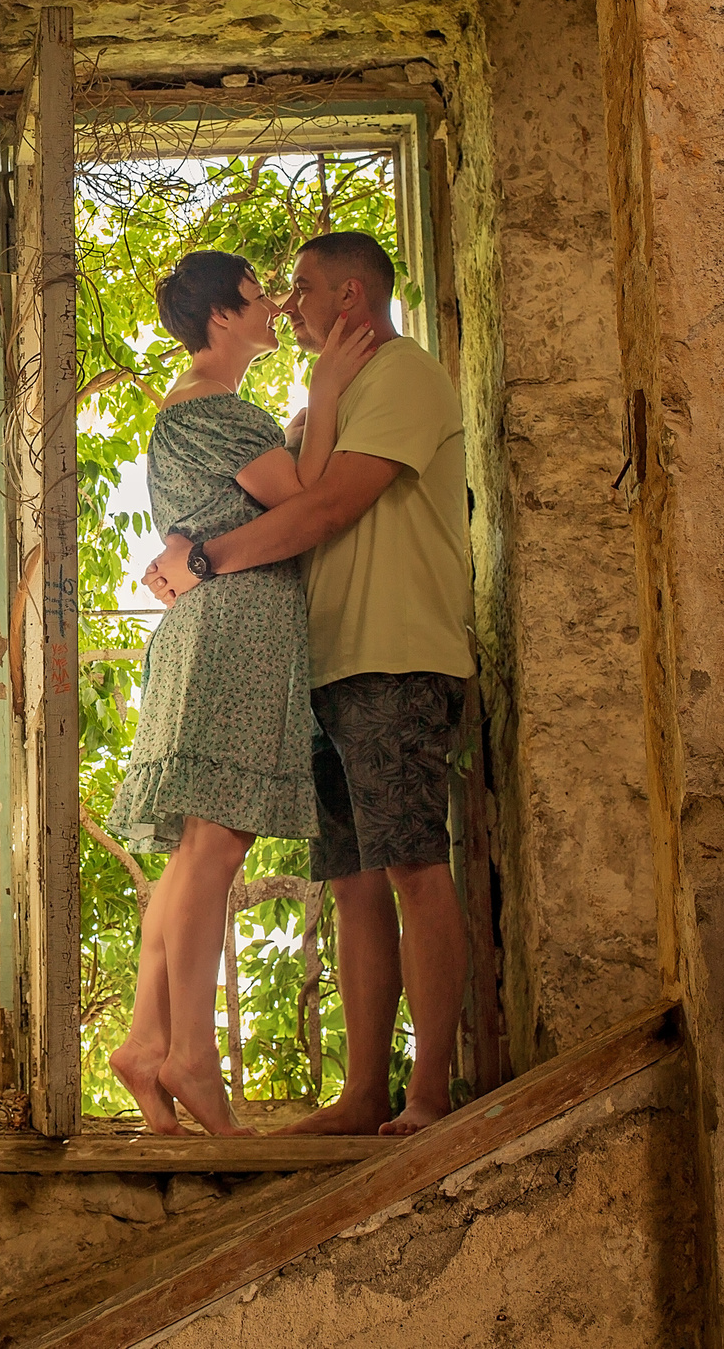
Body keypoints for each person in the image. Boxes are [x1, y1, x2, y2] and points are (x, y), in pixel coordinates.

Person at [142, 230, 473, 1137]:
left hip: (395, 651)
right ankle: (366, 1093)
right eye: (273, 291)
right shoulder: (309, 403)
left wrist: (201, 558)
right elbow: (264, 494)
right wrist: (186, 554)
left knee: (412, 861)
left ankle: (429, 1094)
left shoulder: (404, 376)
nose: (287, 305)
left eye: (301, 288)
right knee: (355, 878)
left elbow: (322, 508)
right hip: (326, 666)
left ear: (353, 300)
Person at [104, 250, 375, 1137]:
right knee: (216, 848)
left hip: (211, 628)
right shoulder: (219, 409)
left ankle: (146, 1044)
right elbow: (304, 499)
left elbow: (240, 502)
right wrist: (329, 387)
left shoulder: (195, 411)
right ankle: (189, 1055)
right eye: (258, 298)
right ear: (222, 316)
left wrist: (298, 419)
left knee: (196, 852)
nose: (271, 310)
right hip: (237, 630)